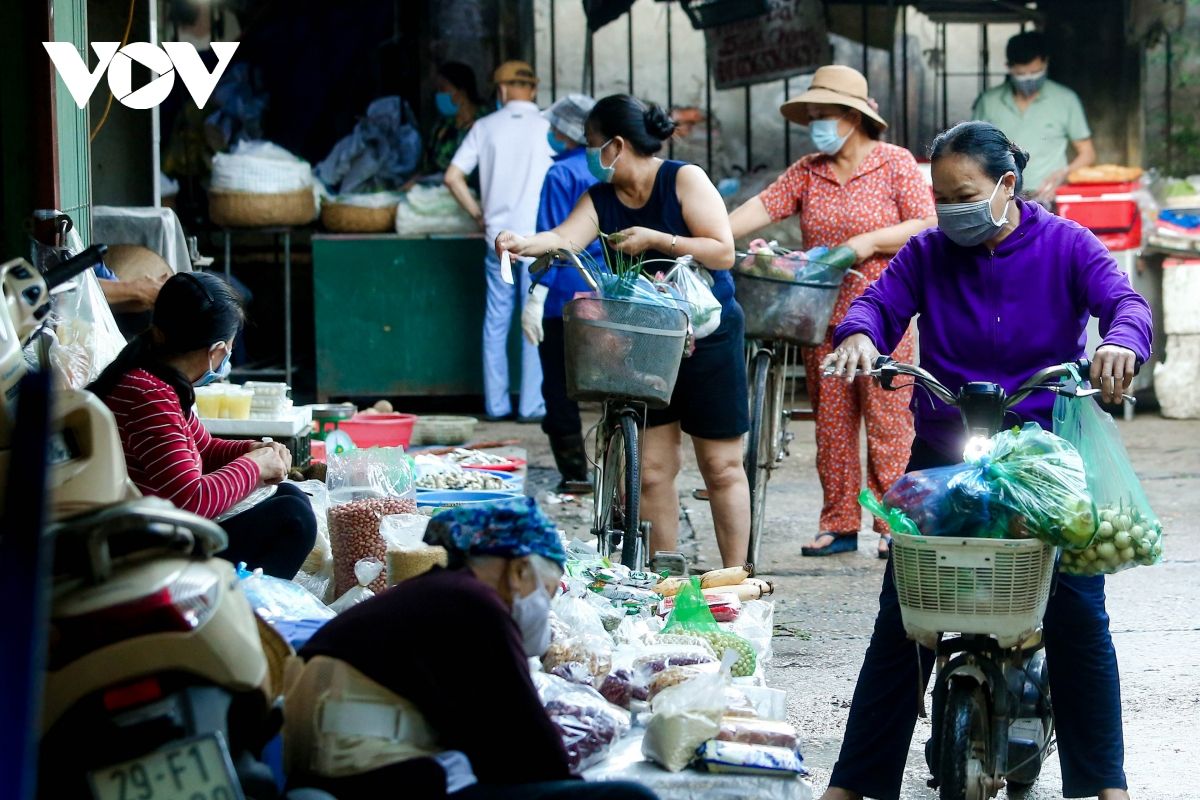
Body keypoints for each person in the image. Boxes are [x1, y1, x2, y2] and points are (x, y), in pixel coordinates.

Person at [816, 121, 1149, 800]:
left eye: (963, 194)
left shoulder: (1066, 245)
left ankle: (1106, 784)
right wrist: (857, 334)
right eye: (940, 197)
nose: (949, 210)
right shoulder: (929, 251)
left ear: (1007, 186)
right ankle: (852, 784)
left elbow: (1124, 303)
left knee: (1077, 612)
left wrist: (1121, 343)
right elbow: (879, 303)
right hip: (945, 448)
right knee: (906, 612)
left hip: (1044, 456)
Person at [496, 94, 751, 569]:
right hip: (645, 344)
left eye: (592, 145)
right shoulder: (600, 198)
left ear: (615, 145)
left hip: (707, 337)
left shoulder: (683, 180)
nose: (589, 156)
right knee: (652, 472)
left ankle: (737, 576)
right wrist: (520, 243)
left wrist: (656, 239)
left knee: (721, 466)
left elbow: (722, 252)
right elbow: (563, 239)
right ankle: (663, 579)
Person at [286, 497, 658, 800]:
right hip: (373, 779)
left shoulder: (440, 594)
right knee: (626, 797)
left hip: (328, 769)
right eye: (546, 592)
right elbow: (535, 754)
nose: (544, 609)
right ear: (519, 571)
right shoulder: (475, 605)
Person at [728, 65, 936, 559]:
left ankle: (893, 523)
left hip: (886, 311)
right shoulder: (807, 171)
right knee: (832, 421)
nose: (817, 125)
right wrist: (705, 234)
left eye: (825, 115)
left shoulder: (894, 163)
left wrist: (864, 243)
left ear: (852, 116)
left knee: (889, 418)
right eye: (812, 117)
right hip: (818, 314)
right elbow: (754, 211)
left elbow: (926, 223)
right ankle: (839, 522)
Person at [88, 272, 316, 579]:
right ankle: (246, 615)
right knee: (294, 518)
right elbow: (191, 501)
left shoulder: (156, 378)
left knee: (290, 495)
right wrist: (253, 467)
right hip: (144, 546)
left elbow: (203, 447)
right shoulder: (149, 394)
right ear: (216, 350)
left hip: (158, 526)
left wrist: (253, 450)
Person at [445, 61, 553, 423]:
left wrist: (478, 213)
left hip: (500, 241)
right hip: (537, 242)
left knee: (496, 319)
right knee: (533, 317)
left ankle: (496, 405)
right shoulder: (549, 126)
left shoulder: (484, 127)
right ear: (533, 90)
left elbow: (453, 177)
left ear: (501, 91)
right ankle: (531, 406)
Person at [523, 93, 602, 494]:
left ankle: (575, 475)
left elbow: (553, 241)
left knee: (558, 389)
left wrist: (536, 295)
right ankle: (619, 473)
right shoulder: (605, 172)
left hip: (563, 300)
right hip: (607, 295)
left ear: (564, 132)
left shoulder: (560, 176)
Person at [973, 30, 1096, 206]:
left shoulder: (1065, 100)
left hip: (1049, 199)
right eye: (1022, 74)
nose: (1029, 79)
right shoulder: (988, 102)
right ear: (1008, 67)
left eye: (1035, 72)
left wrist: (1064, 173)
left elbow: (1087, 153)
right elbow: (973, 152)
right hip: (1001, 199)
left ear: (1046, 63)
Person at [421, 62, 485, 178]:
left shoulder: (486, 123)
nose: (438, 94)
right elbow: (428, 167)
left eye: (443, 89)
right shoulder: (442, 127)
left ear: (461, 92)